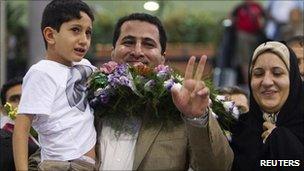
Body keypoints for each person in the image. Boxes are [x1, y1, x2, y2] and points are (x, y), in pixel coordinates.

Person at [95, 13, 233, 171]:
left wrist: (196, 118)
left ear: (162, 58)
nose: (138, 51)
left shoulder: (180, 107)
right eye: (129, 42)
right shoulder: (90, 100)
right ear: (113, 51)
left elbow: (218, 167)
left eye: (148, 44)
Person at [13, 0, 96, 170]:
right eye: (75, 30)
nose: (84, 40)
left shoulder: (86, 66)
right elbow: (21, 129)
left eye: (88, 33)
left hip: (89, 165)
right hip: (59, 164)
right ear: (50, 35)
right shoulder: (42, 72)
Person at [230, 41, 304, 170]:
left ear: (292, 79)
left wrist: (280, 139)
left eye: (277, 73)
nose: (267, 82)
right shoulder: (238, 128)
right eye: (258, 74)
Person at [0, 77, 39, 171]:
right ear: (3, 110)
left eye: (27, 97)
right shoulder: (3, 141)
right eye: (15, 99)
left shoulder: (51, 132)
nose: (22, 103)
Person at [231, 0, 265, 85]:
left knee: (257, 58)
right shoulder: (240, 7)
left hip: (256, 36)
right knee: (245, 60)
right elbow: (232, 17)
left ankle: (257, 78)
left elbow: (263, 21)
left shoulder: (257, 7)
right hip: (243, 35)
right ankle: (248, 81)